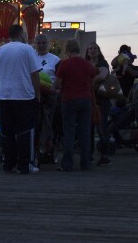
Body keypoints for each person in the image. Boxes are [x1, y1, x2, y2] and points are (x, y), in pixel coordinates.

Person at [0, 24, 41, 174]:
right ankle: (24, 164)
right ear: (21, 34)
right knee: (25, 131)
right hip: (24, 95)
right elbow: (35, 74)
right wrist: (37, 93)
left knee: (7, 132)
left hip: (4, 95)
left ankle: (8, 163)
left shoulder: (0, 50)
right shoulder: (27, 49)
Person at [53, 40, 96, 171]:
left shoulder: (64, 64)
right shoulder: (87, 64)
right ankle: (85, 163)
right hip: (85, 100)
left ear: (67, 51)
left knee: (69, 132)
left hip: (69, 100)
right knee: (85, 132)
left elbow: (56, 85)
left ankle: (67, 164)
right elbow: (93, 80)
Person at [33, 34, 61, 162]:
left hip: (50, 96)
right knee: (37, 123)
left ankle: (48, 148)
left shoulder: (55, 60)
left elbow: (60, 78)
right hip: (34, 96)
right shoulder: (31, 58)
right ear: (35, 44)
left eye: (44, 43)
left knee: (49, 123)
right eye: (39, 43)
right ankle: (37, 148)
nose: (41, 45)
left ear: (48, 44)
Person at [85, 42, 113, 166]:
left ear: (99, 50)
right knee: (88, 129)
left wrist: (87, 82)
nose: (92, 50)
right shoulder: (85, 64)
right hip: (89, 100)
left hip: (101, 100)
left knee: (101, 128)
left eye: (95, 48)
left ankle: (105, 156)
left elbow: (102, 76)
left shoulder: (103, 64)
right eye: (90, 48)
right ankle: (89, 154)